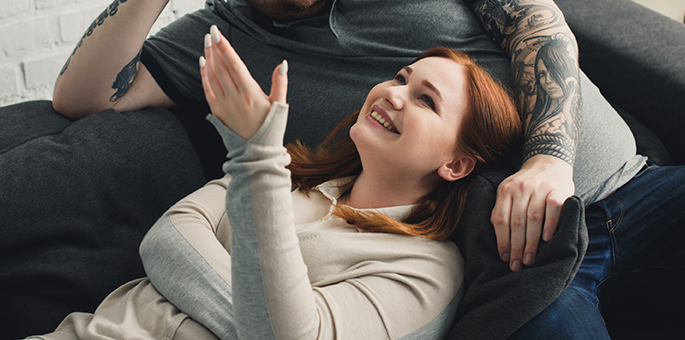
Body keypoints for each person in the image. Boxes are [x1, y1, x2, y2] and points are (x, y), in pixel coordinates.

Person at [0, 0, 681, 338]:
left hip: (630, 181)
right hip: (526, 261)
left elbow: (537, 23)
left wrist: (551, 158)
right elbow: (79, 97)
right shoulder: (224, 35)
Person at [26, 39, 522, 340]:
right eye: (400, 77)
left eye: (425, 100)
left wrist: (255, 154)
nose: (392, 93)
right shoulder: (292, 173)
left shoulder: (427, 271)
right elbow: (166, 238)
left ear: (456, 164)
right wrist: (266, 313)